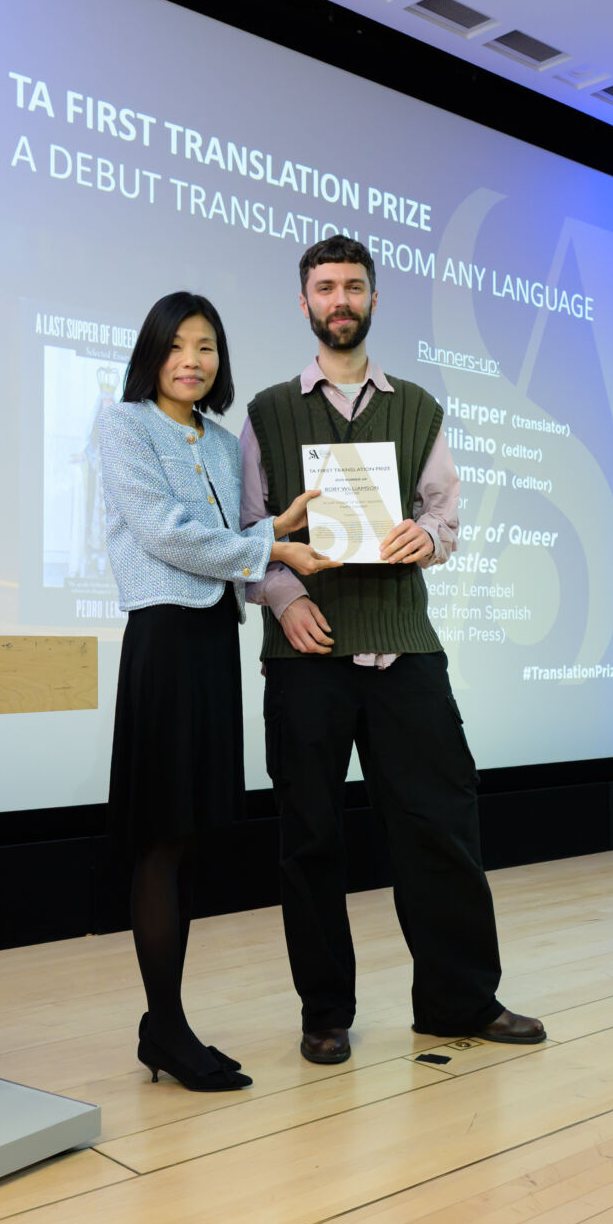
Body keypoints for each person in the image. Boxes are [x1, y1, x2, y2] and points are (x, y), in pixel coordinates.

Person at [240, 237, 544, 1065]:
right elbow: (247, 534)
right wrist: (284, 597)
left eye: (354, 287)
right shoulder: (266, 411)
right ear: (303, 304)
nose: (341, 299)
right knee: (310, 838)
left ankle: (459, 1001)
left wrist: (427, 538)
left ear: (374, 301)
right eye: (326, 287)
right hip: (305, 653)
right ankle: (324, 1013)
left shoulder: (418, 408)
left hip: (405, 649)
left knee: (440, 824)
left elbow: (447, 519)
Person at [98, 290, 335, 1091]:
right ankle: (162, 1026)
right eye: (176, 346)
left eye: (206, 347)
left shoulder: (226, 438)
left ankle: (168, 1023)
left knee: (193, 834)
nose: (192, 360)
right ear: (152, 353)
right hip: (162, 641)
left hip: (210, 642)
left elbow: (236, 548)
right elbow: (166, 531)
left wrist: (288, 529)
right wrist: (276, 542)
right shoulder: (123, 424)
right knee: (162, 836)